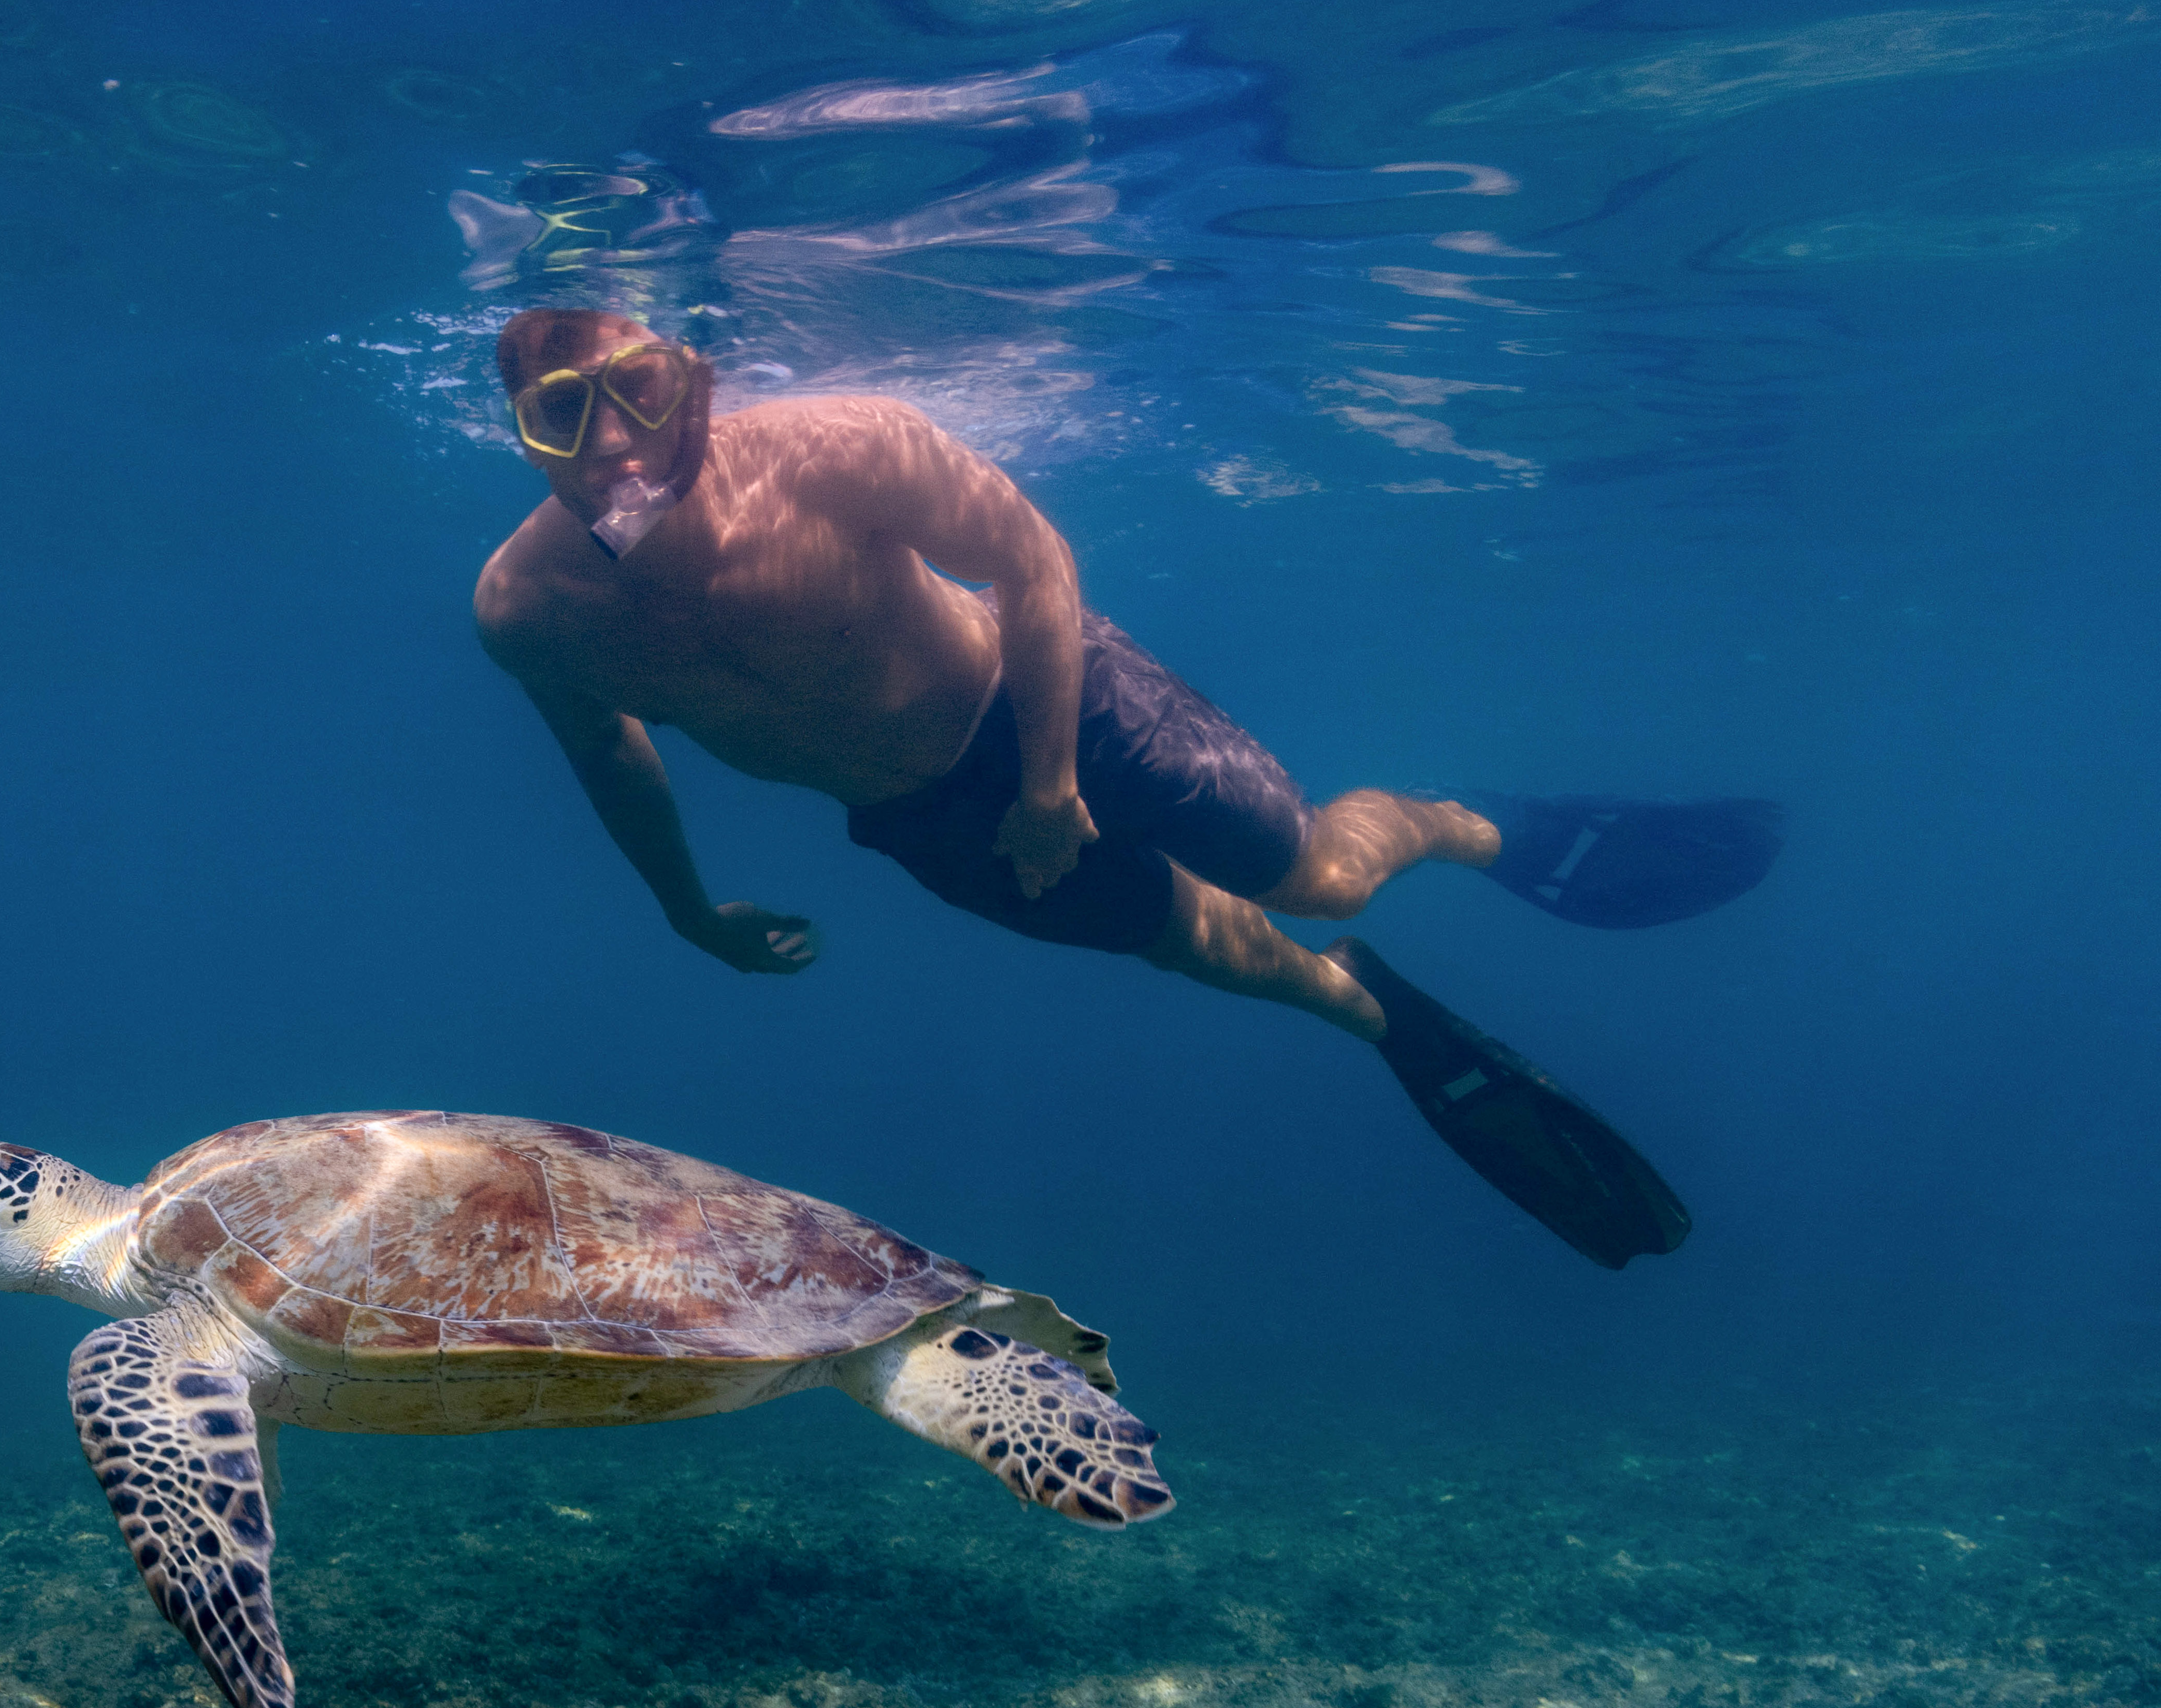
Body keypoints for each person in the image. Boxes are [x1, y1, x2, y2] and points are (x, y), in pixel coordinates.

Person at [469, 307, 1782, 1268]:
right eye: (563, 411)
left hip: (1061, 706)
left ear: (690, 378)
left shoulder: (837, 449)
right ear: (522, 441)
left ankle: (1454, 828)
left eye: (638, 387)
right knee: (1210, 957)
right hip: (921, 820)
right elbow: (607, 749)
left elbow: (1033, 561)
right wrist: (686, 913)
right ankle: (1377, 1015)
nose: (617, 436)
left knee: (1310, 874)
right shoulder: (528, 610)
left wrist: (1049, 783)